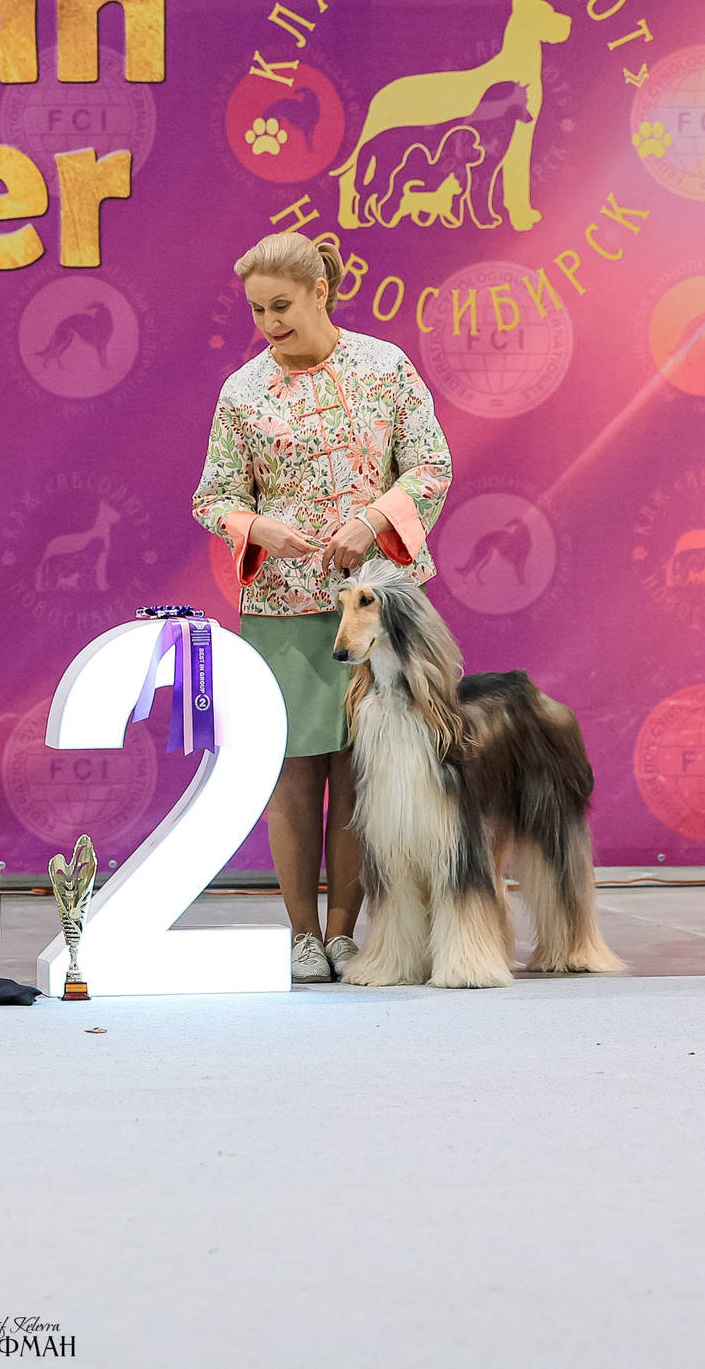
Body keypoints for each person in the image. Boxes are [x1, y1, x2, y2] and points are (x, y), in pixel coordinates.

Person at [194, 231, 454, 982]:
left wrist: (371, 522)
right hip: (281, 606)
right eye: (257, 310)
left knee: (364, 765)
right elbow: (213, 495)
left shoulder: (385, 367)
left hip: (377, 610)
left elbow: (431, 464)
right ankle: (302, 934)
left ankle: (347, 930)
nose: (271, 322)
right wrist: (257, 527)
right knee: (293, 771)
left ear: (320, 293)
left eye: (282, 306)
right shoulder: (241, 392)